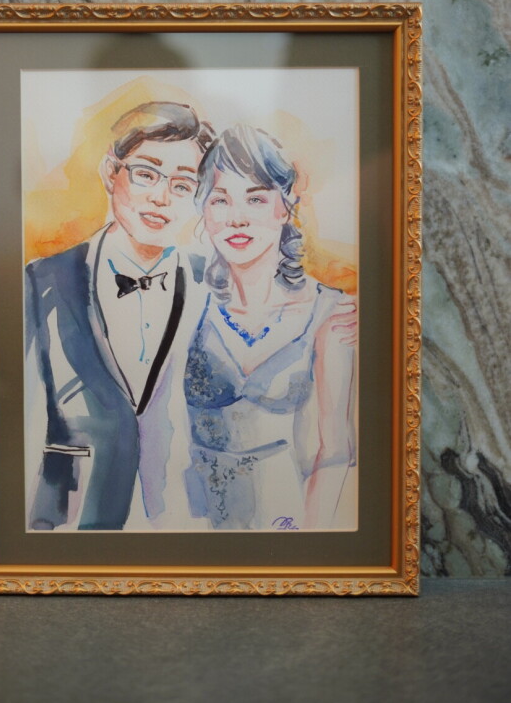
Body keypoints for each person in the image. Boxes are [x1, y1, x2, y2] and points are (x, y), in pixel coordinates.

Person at [25, 101, 215, 530]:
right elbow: (19, 426)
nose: (161, 198)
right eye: (146, 174)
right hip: (71, 527)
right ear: (111, 172)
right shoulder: (41, 282)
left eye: (183, 185)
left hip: (184, 527)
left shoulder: (214, 286)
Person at [184, 125, 357, 531]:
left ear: (285, 206)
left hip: (285, 525)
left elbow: (332, 451)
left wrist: (307, 543)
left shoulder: (330, 313)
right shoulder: (186, 298)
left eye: (256, 199)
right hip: (189, 528)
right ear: (203, 210)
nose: (237, 219)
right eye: (220, 200)